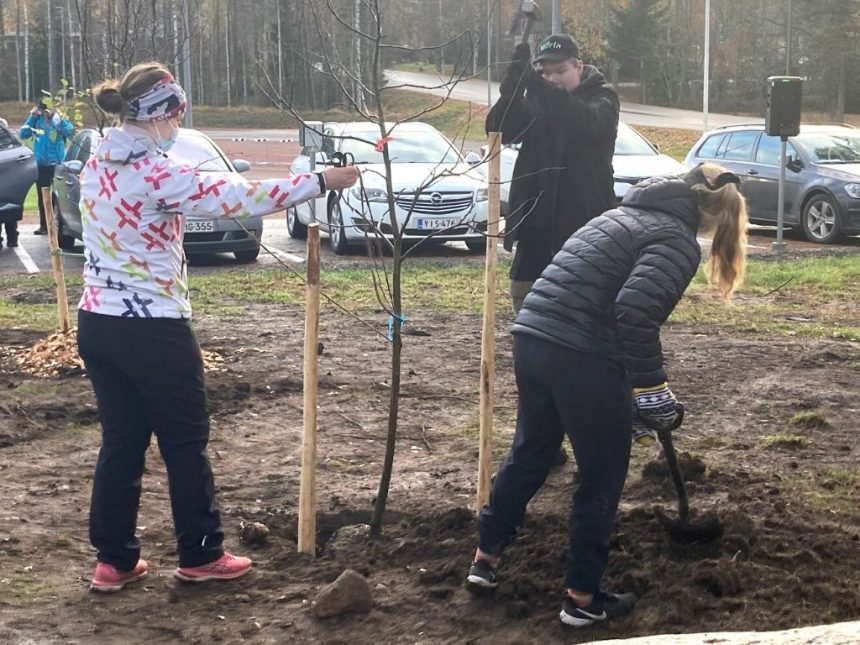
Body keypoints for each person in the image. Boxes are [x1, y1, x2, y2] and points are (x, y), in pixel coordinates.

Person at [77, 61, 359, 593]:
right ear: (166, 113)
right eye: (178, 113)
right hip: (152, 325)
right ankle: (201, 553)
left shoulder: (97, 162)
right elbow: (237, 196)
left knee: (122, 441)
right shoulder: (154, 174)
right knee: (185, 440)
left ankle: (113, 560)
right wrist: (319, 181)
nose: (179, 124)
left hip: (97, 321)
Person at [466, 163, 748, 628]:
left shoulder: (617, 216)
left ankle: (485, 559)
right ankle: (582, 599)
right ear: (717, 218)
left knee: (531, 451)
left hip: (533, 337)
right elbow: (634, 313)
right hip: (581, 353)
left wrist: (632, 393)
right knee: (600, 476)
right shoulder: (676, 240)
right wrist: (652, 391)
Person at [487, 34, 619, 314]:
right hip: (534, 222)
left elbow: (577, 119)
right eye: (545, 73)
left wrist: (535, 84)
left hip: (583, 223)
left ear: (579, 67)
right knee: (524, 295)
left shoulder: (603, 99)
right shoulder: (536, 102)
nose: (553, 78)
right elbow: (499, 129)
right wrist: (510, 92)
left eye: (560, 71)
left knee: (577, 302)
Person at [18, 100, 74, 235]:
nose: (45, 112)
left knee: (58, 196)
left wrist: (59, 118)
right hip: (41, 164)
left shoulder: (58, 119)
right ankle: (44, 225)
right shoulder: (37, 120)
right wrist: (32, 117)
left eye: (46, 109)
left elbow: (69, 132)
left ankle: (58, 226)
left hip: (57, 163)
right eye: (42, 109)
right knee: (42, 196)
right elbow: (23, 133)